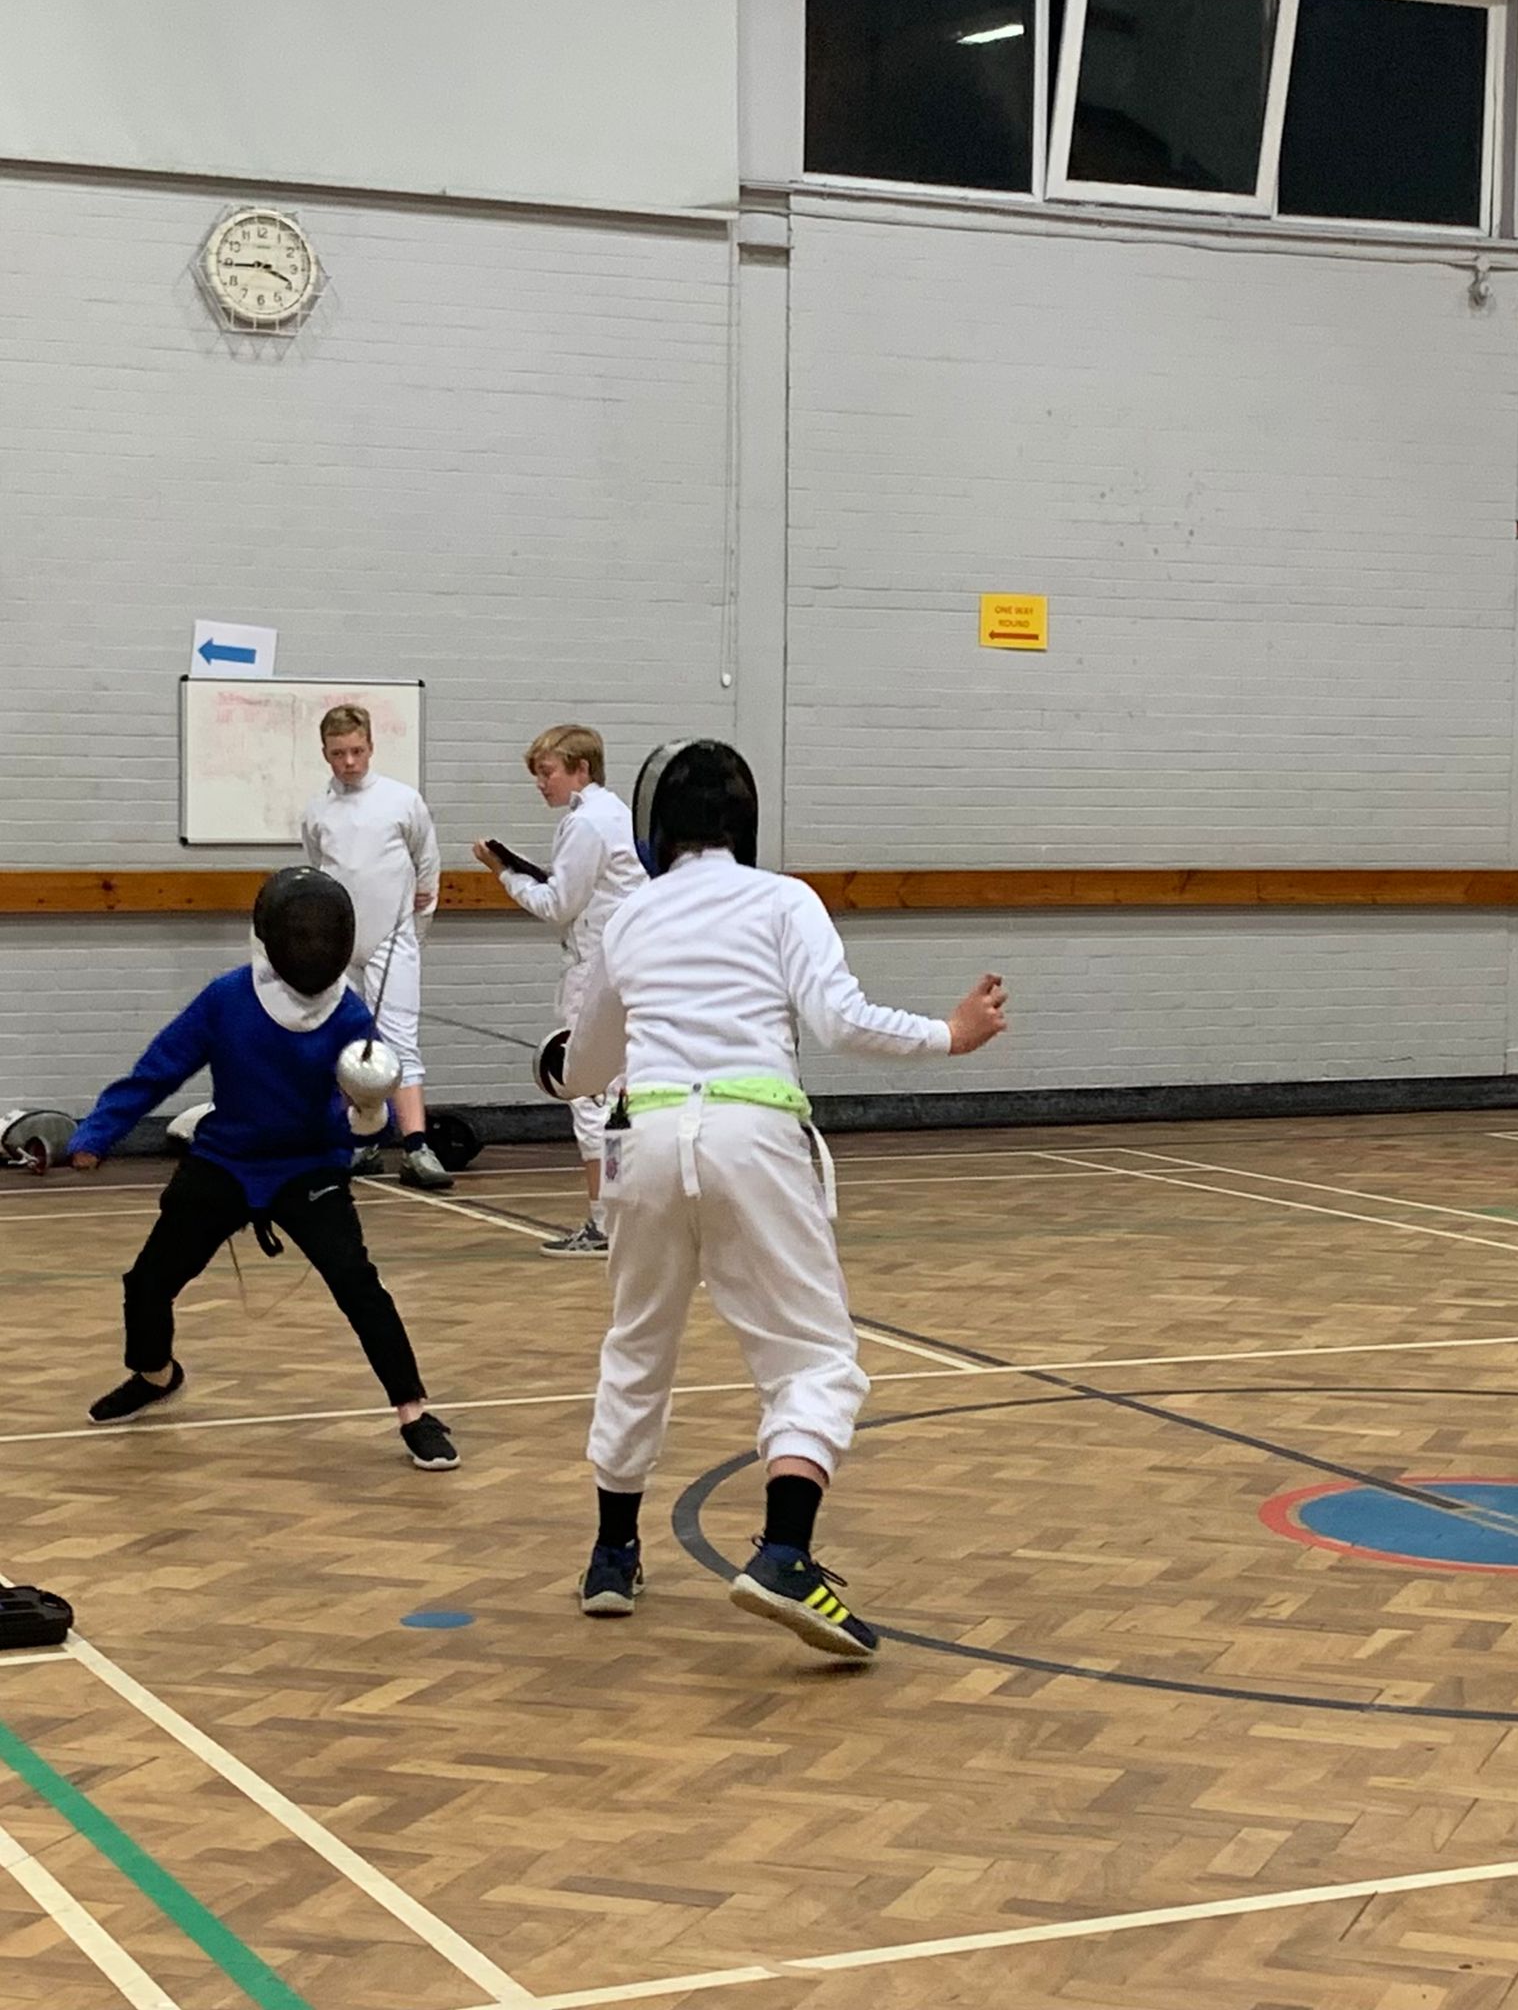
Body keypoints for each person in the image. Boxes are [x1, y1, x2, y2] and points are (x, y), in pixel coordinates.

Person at [554, 740, 1007, 1655]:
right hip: (751, 1140)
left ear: (656, 827)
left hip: (642, 1147)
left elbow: (587, 1071)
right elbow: (838, 1019)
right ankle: (787, 1554)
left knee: (638, 1342)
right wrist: (950, 1036)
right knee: (814, 1359)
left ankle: (612, 1556)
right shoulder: (782, 898)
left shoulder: (631, 917)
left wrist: (557, 1067)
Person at [66, 869, 459, 1470]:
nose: (310, 947)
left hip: (309, 1168)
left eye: (320, 936)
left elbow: (368, 1129)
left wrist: (369, 1106)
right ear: (271, 936)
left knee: (358, 1284)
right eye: (298, 935)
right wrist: (96, 1134)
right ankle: (156, 1376)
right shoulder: (227, 999)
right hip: (226, 1161)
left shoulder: (352, 1019)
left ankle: (414, 1411)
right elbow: (158, 1069)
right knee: (147, 1282)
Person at [474, 724, 645, 1257]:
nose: (540, 783)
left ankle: (604, 1223)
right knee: (620, 1094)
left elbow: (557, 905)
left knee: (588, 1094)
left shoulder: (588, 822)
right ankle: (627, 1219)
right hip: (622, 964)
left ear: (580, 769)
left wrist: (504, 873)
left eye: (547, 772)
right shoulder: (613, 811)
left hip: (595, 971)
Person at [301, 705, 449, 1191]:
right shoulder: (318, 812)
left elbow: (427, 869)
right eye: (339, 753)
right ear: (325, 753)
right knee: (347, 1044)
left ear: (371, 746)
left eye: (357, 751)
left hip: (393, 938)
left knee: (399, 1040)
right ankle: (360, 1139)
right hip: (340, 947)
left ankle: (416, 1146)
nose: (349, 762)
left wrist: (411, 932)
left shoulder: (402, 802)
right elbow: (320, 877)